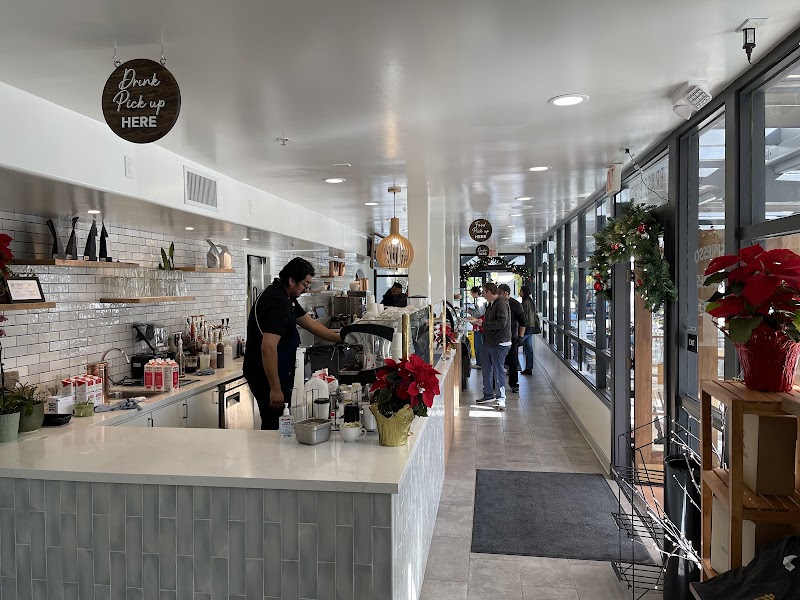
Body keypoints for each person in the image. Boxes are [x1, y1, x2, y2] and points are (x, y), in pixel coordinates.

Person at [244, 257, 342, 430]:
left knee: (281, 420)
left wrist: (343, 338)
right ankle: (273, 448)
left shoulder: (286, 296)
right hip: (266, 374)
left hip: (276, 370)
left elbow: (311, 325)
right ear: (292, 280)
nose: (306, 289)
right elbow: (268, 347)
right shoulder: (277, 302)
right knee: (274, 423)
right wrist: (275, 388)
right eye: (305, 284)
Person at [476, 283, 511, 409]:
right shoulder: (491, 304)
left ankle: (501, 398)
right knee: (486, 368)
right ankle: (488, 394)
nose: (483, 295)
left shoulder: (501, 304)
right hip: (489, 342)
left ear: (490, 292)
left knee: (498, 370)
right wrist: (481, 322)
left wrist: (483, 325)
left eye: (484, 292)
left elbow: (502, 322)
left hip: (499, 342)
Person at [498, 284, 525, 393]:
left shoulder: (515, 304)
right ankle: (497, 383)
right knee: (497, 361)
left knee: (513, 361)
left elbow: (523, 322)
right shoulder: (497, 303)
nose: (498, 294)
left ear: (506, 292)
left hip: (512, 337)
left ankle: (514, 384)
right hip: (499, 337)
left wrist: (520, 337)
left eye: (500, 292)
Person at [521, 285, 540, 375]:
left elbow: (524, 316)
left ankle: (513, 366)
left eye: (521, 291)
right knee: (529, 348)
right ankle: (529, 368)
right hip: (531, 326)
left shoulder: (525, 302)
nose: (520, 293)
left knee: (516, 344)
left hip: (527, 327)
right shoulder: (530, 301)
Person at [467, 286, 486, 367]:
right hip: (480, 325)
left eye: (472, 293)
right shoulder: (481, 300)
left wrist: (470, 312)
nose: (471, 294)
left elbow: (479, 313)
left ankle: (479, 362)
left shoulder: (480, 301)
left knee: (478, 344)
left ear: (476, 293)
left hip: (479, 325)